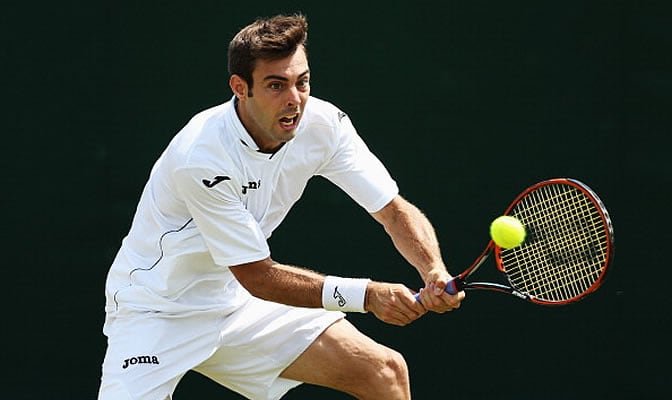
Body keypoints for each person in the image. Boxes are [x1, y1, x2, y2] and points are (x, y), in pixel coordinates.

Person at [98, 13, 464, 400]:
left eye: (301, 82)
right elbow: (257, 275)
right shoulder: (201, 157)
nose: (295, 100)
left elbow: (392, 210)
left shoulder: (324, 126)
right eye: (276, 85)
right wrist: (368, 295)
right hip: (158, 309)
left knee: (384, 373)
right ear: (241, 87)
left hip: (236, 303)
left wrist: (433, 269)